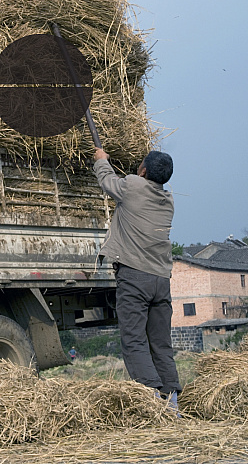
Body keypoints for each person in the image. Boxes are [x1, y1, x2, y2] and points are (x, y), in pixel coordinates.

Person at [93, 147, 181, 404]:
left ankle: (151, 400)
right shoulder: (168, 201)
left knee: (134, 341)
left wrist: (101, 160)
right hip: (161, 281)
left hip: (135, 278)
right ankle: (171, 402)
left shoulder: (132, 186)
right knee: (161, 344)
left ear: (142, 171)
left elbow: (107, 182)